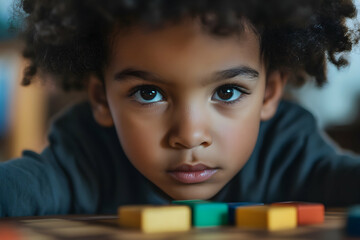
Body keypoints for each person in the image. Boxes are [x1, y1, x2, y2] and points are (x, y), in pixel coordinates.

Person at [1, 0, 359, 217]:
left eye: (229, 91)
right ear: (101, 99)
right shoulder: (86, 151)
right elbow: (19, 187)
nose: (189, 135)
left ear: (269, 94)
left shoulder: (288, 148)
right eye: (148, 94)